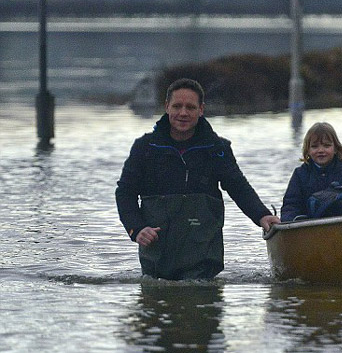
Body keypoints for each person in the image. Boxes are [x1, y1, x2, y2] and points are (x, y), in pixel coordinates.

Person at [115, 78, 280, 280]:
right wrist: (137, 229)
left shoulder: (217, 148)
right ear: (166, 107)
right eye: (177, 106)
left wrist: (262, 215)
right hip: (156, 259)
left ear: (201, 110)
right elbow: (125, 193)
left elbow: (238, 186)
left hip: (204, 259)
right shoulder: (144, 148)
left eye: (190, 107)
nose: (183, 113)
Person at [281, 122, 342, 221]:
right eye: (315, 146)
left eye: (326, 146)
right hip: (307, 226)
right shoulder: (300, 174)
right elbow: (290, 205)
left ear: (336, 148)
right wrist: (291, 220)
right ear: (308, 150)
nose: (320, 150)